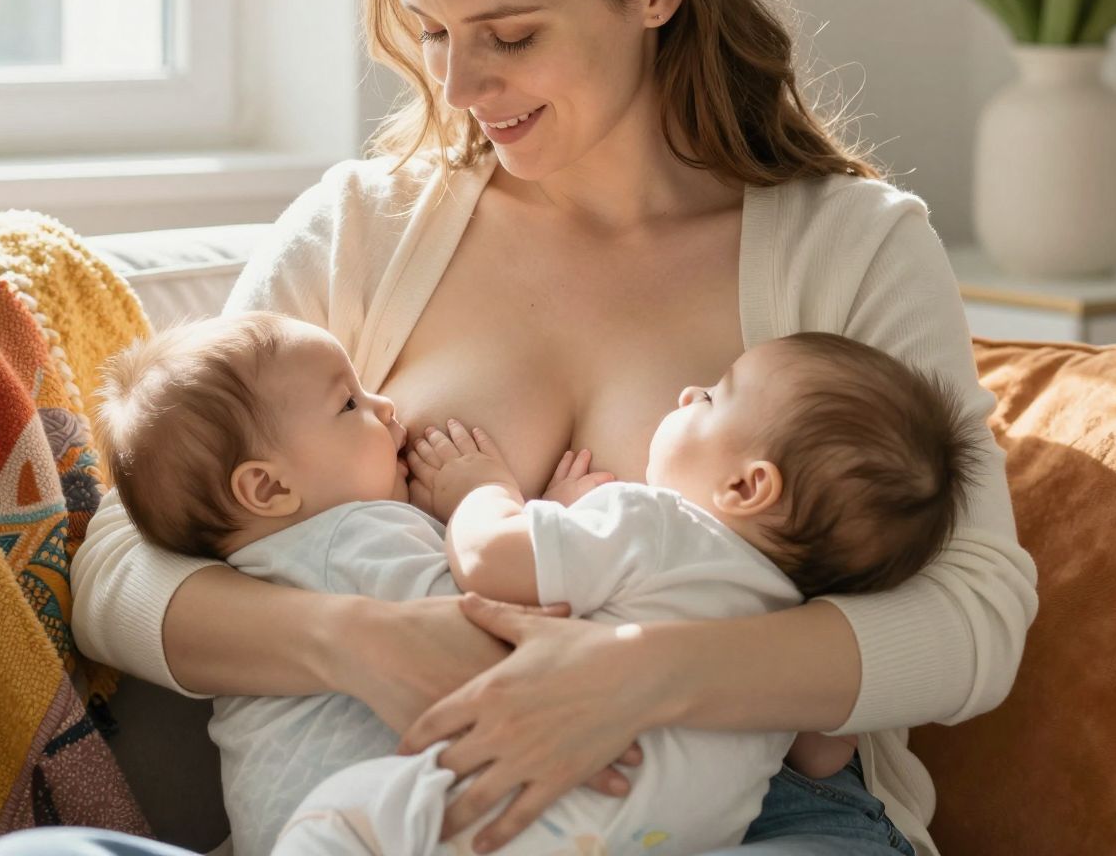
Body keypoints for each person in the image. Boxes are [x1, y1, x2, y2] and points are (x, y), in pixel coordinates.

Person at [0, 0, 1036, 856]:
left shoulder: (850, 248)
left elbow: (973, 618)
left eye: (509, 35)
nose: (457, 87)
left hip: (739, 813)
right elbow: (117, 571)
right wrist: (358, 641)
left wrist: (644, 675)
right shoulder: (360, 229)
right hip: (401, 804)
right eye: (434, 33)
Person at [278, 331, 975, 856]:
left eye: (712, 396)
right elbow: (823, 757)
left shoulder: (657, 523)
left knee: (335, 820)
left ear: (745, 486)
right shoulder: (797, 621)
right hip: (673, 838)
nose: (685, 394)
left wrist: (480, 488)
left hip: (529, 808)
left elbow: (492, 559)